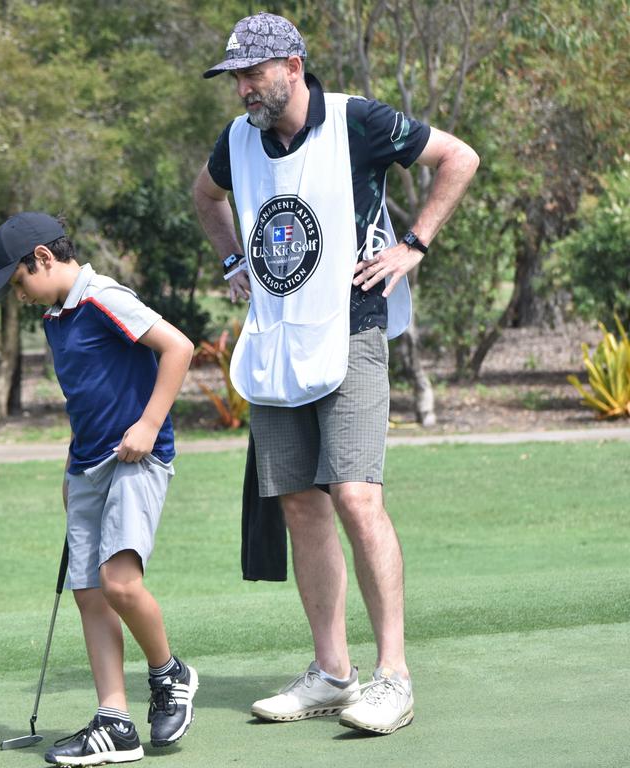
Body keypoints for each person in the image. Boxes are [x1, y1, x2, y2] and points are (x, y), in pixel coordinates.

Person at [193, 13, 479, 735]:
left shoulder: (357, 121)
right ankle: (331, 672)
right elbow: (206, 197)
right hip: (278, 341)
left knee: (355, 495)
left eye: (252, 75)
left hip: (352, 330)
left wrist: (414, 244)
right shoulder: (237, 141)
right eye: (235, 78)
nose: (242, 91)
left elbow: (459, 158)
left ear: (291, 64)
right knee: (298, 503)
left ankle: (393, 678)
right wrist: (233, 261)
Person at [0, 212, 198, 765]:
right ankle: (115, 722)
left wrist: (149, 425)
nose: (18, 294)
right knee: (89, 592)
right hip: (87, 468)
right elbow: (86, 396)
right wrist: (71, 470)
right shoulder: (57, 316)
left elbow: (179, 348)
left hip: (136, 459)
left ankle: (169, 674)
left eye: (18, 280)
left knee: (119, 584)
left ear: (44, 258)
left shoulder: (104, 297)